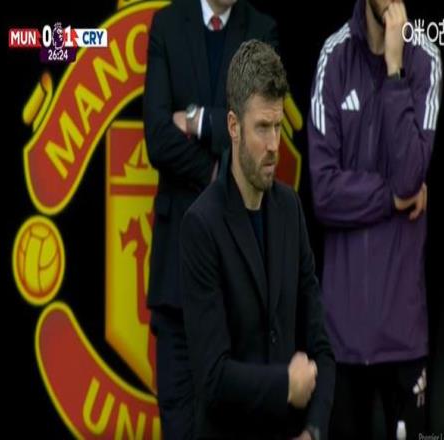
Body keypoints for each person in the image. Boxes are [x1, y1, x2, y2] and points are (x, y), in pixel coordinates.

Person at [180, 40, 335, 440]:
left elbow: (321, 346)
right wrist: (286, 385)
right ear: (233, 126)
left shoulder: (290, 209)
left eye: (278, 126)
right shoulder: (201, 225)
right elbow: (213, 376)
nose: (273, 146)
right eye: (262, 128)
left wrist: (313, 431)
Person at [143, 0, 279, 438]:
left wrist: (197, 120)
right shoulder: (167, 25)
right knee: (180, 422)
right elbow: (158, 137)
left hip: (238, 276)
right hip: (176, 280)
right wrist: (216, 170)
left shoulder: (261, 29)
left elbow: (259, 132)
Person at [307, 0, 441, 438]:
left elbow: (409, 176)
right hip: (343, 338)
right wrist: (391, 197)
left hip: (402, 335)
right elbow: (323, 191)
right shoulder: (334, 55)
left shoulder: (425, 56)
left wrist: (395, 70)